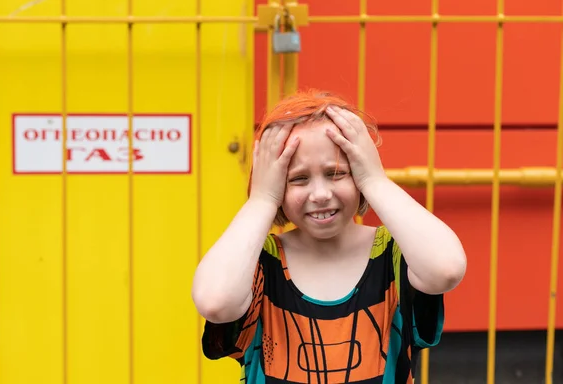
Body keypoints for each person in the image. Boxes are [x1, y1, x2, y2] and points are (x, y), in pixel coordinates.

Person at [191, 89, 467, 383]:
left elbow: (446, 269)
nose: (321, 194)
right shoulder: (259, 262)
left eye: (336, 173)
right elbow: (216, 302)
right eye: (298, 179)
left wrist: (375, 180)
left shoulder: (392, 254)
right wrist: (261, 199)